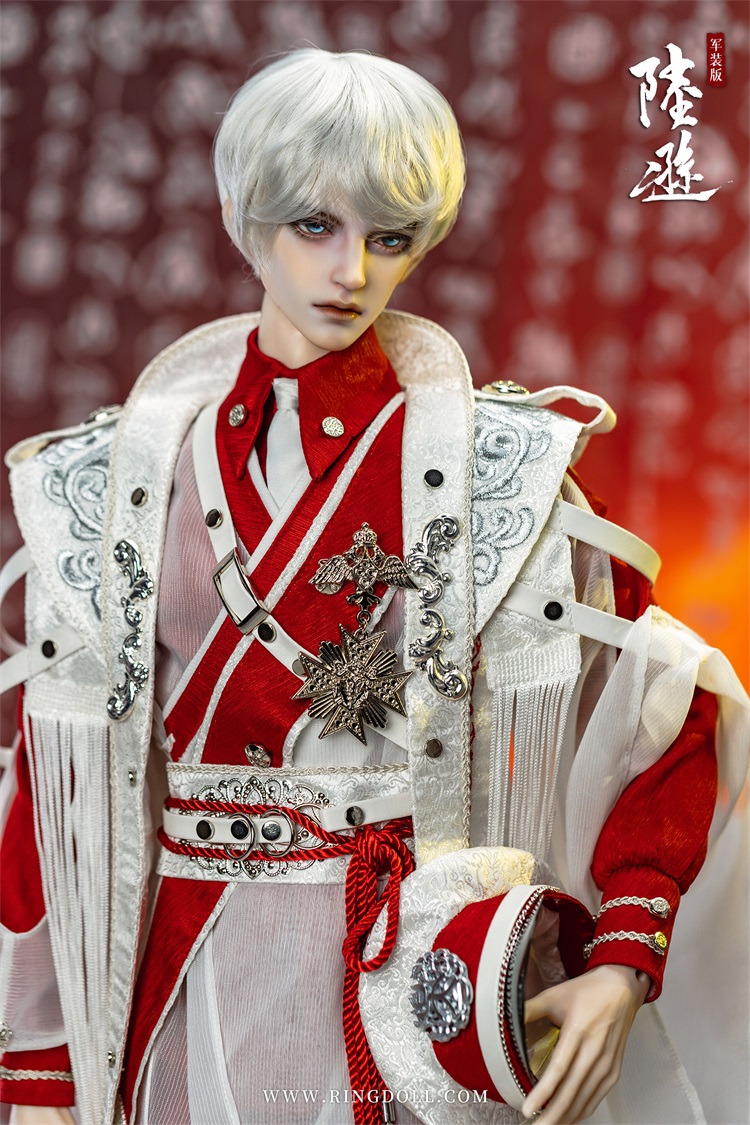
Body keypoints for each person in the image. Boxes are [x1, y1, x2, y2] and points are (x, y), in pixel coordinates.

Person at [0, 48, 747, 1125]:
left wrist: (625, 957)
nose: (350, 270)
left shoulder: (496, 464)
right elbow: (54, 776)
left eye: (388, 238)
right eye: (315, 226)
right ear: (246, 217)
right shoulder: (123, 473)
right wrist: (38, 1074)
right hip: (177, 965)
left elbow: (666, 703)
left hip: (391, 971)